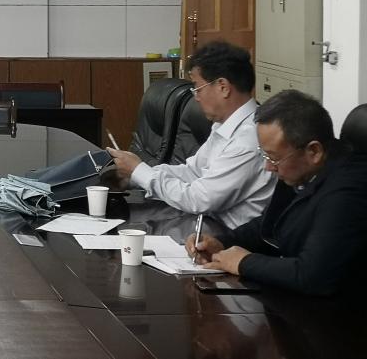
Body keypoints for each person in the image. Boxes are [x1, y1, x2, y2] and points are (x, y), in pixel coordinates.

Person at [187, 90, 367, 295]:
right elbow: (271, 225)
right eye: (265, 155)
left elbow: (313, 275)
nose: (268, 166)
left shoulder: (348, 192)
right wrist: (223, 242)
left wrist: (244, 262)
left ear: (314, 151)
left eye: (273, 157)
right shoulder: (301, 169)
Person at [108, 40, 274, 229]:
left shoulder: (248, 140)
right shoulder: (223, 124)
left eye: (197, 88)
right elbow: (192, 172)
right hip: (202, 224)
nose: (196, 98)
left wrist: (140, 172)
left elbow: (198, 200)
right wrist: (134, 176)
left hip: (227, 236)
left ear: (223, 87)